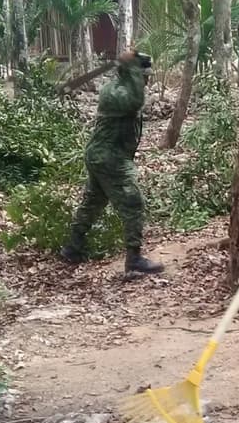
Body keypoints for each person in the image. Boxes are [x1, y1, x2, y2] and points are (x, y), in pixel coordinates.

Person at [61, 49, 164, 275]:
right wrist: (134, 68)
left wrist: (133, 66)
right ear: (132, 73)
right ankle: (134, 260)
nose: (146, 80)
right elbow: (135, 102)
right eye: (144, 76)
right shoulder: (115, 92)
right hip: (109, 157)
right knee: (133, 202)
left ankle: (73, 248)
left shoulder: (122, 87)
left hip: (104, 155)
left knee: (93, 202)